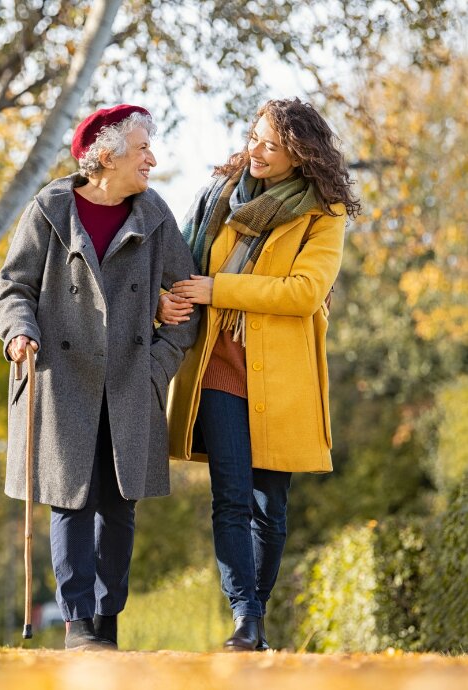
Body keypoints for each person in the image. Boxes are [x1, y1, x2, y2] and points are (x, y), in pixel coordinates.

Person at [0, 104, 200, 650]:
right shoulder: (50, 210)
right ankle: (78, 624)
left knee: (118, 505)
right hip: (62, 378)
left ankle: (108, 623)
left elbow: (186, 301)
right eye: (142, 151)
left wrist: (157, 367)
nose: (152, 160)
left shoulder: (154, 214)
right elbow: (15, 287)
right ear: (105, 158)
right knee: (71, 501)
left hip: (131, 381)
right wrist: (18, 332)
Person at [161, 97, 360, 651]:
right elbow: (180, 261)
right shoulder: (220, 197)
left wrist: (219, 289)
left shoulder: (323, 215)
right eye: (254, 137)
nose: (256, 151)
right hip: (219, 366)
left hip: (283, 377)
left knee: (271, 508)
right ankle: (245, 620)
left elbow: (303, 293)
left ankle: (257, 615)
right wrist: (166, 297)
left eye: (271, 145)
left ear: (300, 155)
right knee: (231, 497)